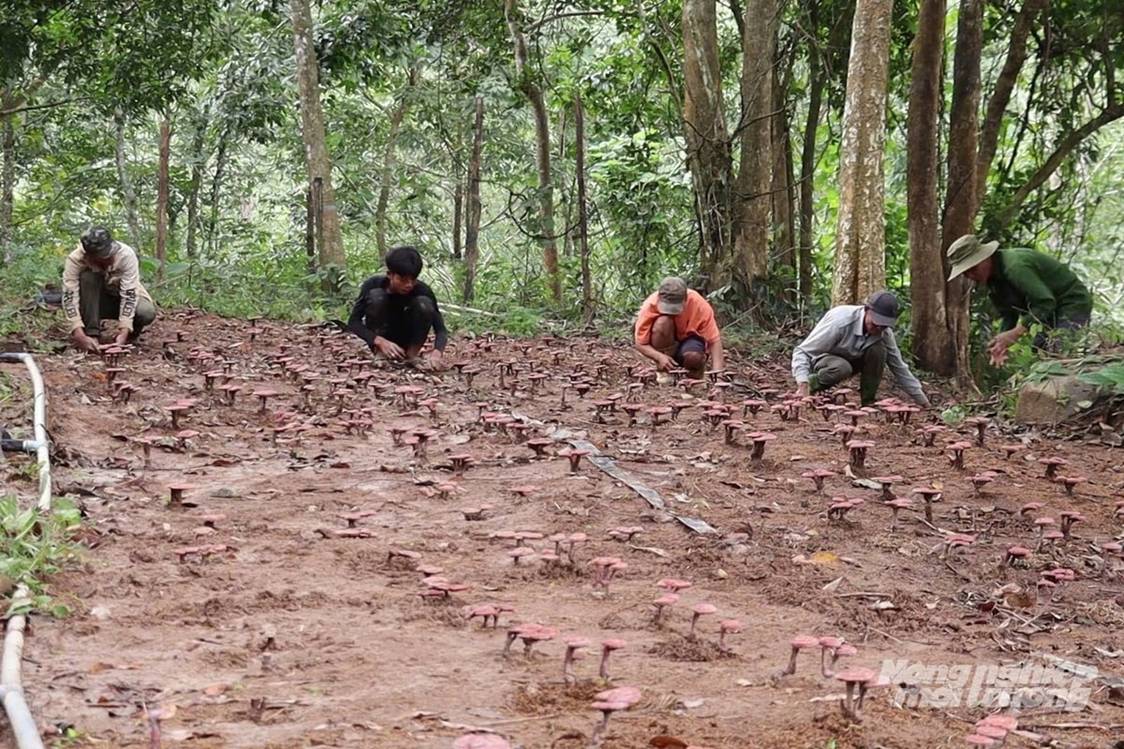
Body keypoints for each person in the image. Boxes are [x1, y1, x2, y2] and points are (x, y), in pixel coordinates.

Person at [946, 234, 1093, 365]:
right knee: (1040, 350)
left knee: (1059, 348)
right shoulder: (994, 281)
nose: (971, 276)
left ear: (985, 258)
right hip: (1046, 312)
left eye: (973, 269)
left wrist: (1016, 333)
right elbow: (1009, 314)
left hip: (1071, 302)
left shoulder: (1015, 267)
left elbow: (1045, 302)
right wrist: (1001, 343)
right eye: (966, 273)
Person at [792, 290, 930, 407]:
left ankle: (868, 402)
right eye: (875, 323)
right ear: (866, 310)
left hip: (850, 363)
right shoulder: (840, 322)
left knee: (878, 350)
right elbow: (802, 351)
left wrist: (923, 401)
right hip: (823, 361)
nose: (878, 328)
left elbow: (898, 367)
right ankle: (811, 386)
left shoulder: (884, 333)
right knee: (842, 367)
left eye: (883, 325)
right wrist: (803, 383)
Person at [346, 245, 448, 369]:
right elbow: (354, 322)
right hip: (382, 336)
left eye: (413, 280)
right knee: (376, 297)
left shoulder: (423, 290)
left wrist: (437, 352)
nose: (409, 285)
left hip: (408, 335)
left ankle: (411, 354)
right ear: (390, 275)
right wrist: (378, 341)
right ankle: (381, 354)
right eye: (403, 280)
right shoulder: (373, 285)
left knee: (424, 303)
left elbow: (441, 329)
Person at [62, 226, 157, 354]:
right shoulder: (75, 259)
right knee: (88, 277)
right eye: (103, 256)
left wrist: (124, 330)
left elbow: (129, 294)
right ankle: (91, 333)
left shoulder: (126, 255)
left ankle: (131, 334)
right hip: (92, 302)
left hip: (119, 297)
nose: (109, 258)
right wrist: (78, 333)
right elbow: (69, 296)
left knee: (146, 312)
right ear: (91, 256)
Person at [633, 276, 724, 380]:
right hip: (665, 343)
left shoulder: (699, 305)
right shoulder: (650, 305)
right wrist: (659, 357)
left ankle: (694, 377)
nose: (672, 313)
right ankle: (665, 370)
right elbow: (640, 343)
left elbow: (714, 341)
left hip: (690, 341)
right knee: (663, 322)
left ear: (685, 299)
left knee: (693, 357)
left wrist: (719, 377)